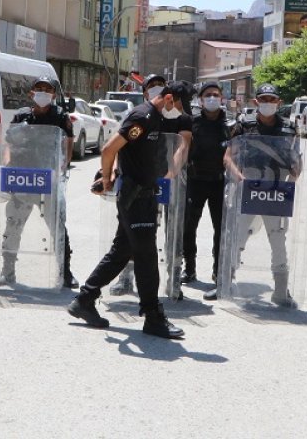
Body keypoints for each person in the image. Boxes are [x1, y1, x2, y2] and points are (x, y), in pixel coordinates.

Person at [67, 81, 188, 339]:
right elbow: (109, 148)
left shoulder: (154, 118)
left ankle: (85, 299)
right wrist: (108, 178)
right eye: (178, 105)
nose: (179, 111)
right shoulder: (142, 116)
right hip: (136, 197)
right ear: (167, 98)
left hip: (143, 194)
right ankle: (153, 317)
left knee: (122, 252)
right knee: (146, 256)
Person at [109, 75, 193, 296]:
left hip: (168, 179)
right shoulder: (141, 114)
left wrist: (171, 172)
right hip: (139, 180)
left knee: (174, 228)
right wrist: (116, 172)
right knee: (132, 228)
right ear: (145, 92)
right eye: (151, 87)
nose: (155, 90)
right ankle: (126, 277)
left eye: (160, 85)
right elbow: (121, 147)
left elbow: (182, 147)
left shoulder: (180, 115)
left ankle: (174, 277)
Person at [0, 76, 78, 289]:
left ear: (53, 95)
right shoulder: (22, 115)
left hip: (49, 179)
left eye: (47, 89)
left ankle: (65, 272)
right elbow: (8, 143)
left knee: (58, 226)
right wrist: (6, 167)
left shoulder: (60, 116)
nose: (43, 93)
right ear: (31, 94)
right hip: (23, 178)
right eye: (39, 89)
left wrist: (63, 166)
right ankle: (7, 271)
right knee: (13, 224)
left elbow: (68, 142)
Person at [222, 84, 301, 306]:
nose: (268, 103)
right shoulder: (243, 126)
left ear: (279, 102)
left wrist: (296, 173)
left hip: (276, 191)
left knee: (278, 239)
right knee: (238, 235)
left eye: (272, 99)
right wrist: (238, 176)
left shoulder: (288, 129)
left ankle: (281, 290)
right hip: (247, 188)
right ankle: (226, 281)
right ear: (256, 102)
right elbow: (228, 156)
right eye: (263, 99)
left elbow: (297, 158)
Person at [183, 82, 236, 298]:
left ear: (222, 99)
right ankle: (189, 269)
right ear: (201, 99)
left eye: (216, 95)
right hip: (195, 181)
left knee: (221, 230)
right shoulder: (192, 122)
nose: (212, 98)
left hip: (219, 183)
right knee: (188, 227)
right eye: (208, 95)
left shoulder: (231, 125)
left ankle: (218, 273)